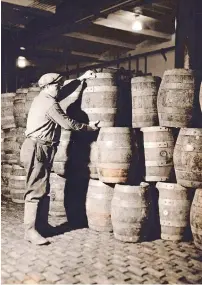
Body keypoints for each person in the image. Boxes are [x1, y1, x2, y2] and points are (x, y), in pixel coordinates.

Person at [20, 70, 99, 245]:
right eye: (57, 86)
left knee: (43, 187)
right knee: (34, 190)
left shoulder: (43, 97)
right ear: (47, 87)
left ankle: (41, 225)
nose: (59, 89)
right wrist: (88, 128)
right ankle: (30, 231)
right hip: (37, 148)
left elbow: (64, 91)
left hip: (43, 147)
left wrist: (81, 79)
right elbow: (67, 123)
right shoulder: (49, 104)